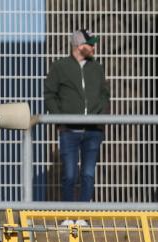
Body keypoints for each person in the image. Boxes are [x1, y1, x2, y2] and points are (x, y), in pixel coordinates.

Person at [44, 29, 110, 203]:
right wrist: (60, 118)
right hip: (69, 131)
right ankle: (68, 215)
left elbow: (105, 94)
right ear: (79, 45)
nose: (93, 47)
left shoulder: (97, 68)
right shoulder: (60, 67)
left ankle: (83, 215)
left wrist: (100, 115)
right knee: (70, 175)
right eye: (90, 44)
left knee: (88, 174)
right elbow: (50, 94)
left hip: (93, 131)